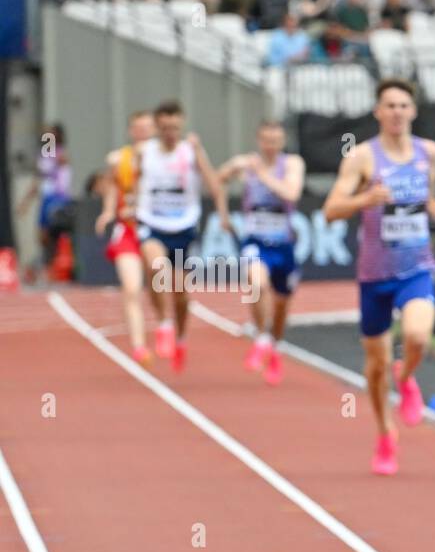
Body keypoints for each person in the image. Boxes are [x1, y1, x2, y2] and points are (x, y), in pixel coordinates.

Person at [323, 78, 435, 474]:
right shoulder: (362, 158)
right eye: (389, 106)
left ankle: (406, 374)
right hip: (375, 274)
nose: (396, 112)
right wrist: (365, 199)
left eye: (403, 105)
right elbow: (331, 209)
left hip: (417, 269)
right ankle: (383, 434)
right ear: (378, 112)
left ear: (413, 111)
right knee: (374, 366)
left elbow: (429, 203)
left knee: (416, 337)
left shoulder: (429, 151)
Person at [134, 100, 230, 372]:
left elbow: (214, 185)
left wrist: (223, 215)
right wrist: (130, 201)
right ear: (157, 126)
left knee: (181, 294)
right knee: (156, 267)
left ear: (182, 124)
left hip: (183, 227)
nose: (169, 133)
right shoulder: (146, 151)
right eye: (164, 128)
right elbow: (133, 177)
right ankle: (163, 324)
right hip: (152, 222)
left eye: (174, 127)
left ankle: (182, 336)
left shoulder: (191, 151)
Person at [218, 120, 305, 384]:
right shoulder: (246, 164)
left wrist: (264, 175)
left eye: (276, 141)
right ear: (259, 140)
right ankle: (261, 337)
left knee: (281, 306)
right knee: (257, 283)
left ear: (282, 142)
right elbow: (217, 178)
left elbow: (291, 193)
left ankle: (274, 346)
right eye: (266, 140)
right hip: (255, 240)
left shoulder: (292, 164)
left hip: (284, 244)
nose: (271, 146)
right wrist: (223, 214)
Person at [95, 111, 160, 364]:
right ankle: (139, 346)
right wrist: (108, 212)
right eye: (138, 128)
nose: (142, 132)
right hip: (128, 231)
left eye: (147, 127)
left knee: (159, 284)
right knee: (131, 288)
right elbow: (113, 187)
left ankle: (164, 320)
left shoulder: (164, 158)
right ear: (131, 131)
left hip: (155, 230)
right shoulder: (119, 159)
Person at [16, 123, 74, 282]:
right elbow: (38, 182)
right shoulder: (44, 156)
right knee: (43, 237)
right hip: (46, 199)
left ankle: (51, 269)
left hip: (58, 198)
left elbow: (60, 174)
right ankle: (43, 267)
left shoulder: (61, 155)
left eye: (51, 135)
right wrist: (25, 203)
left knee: (55, 236)